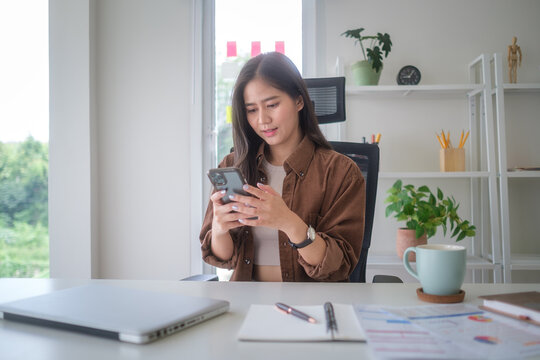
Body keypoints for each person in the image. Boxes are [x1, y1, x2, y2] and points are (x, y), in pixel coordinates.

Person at [200, 52, 365, 282]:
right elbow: (220, 257)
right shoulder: (233, 166)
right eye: (251, 110)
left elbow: (339, 266)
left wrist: (288, 222)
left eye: (272, 105)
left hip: (310, 307)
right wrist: (219, 228)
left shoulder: (341, 172)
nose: (262, 120)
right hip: (246, 301)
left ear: (299, 101)